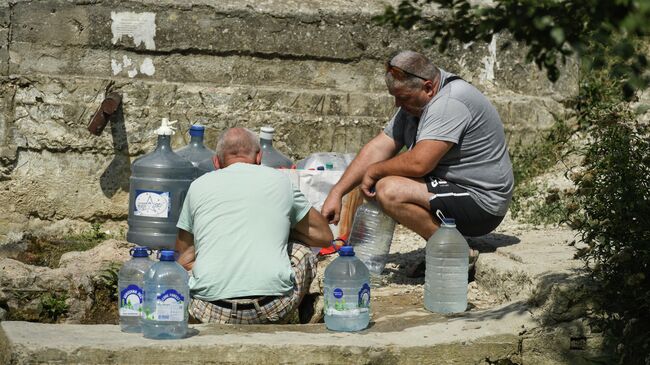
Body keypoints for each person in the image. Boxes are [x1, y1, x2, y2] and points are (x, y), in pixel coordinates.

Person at [322, 50, 514, 262]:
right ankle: (445, 247)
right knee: (383, 182)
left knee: (389, 190)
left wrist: (374, 171)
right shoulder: (417, 102)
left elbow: (419, 163)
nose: (397, 105)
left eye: (402, 97)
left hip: (482, 202)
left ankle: (455, 253)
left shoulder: (450, 102)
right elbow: (379, 148)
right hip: (452, 190)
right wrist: (337, 192)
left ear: (428, 87)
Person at [175, 127, 333, 324]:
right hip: (271, 308)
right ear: (259, 157)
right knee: (302, 252)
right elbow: (324, 236)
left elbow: (184, 258)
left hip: (209, 310)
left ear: (216, 162)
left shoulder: (198, 186)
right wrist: (281, 230)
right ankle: (305, 322)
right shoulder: (281, 182)